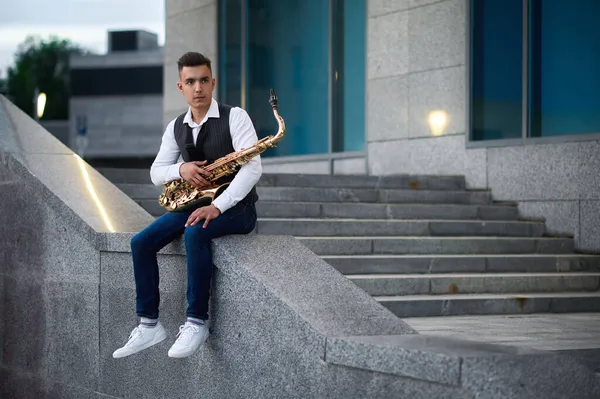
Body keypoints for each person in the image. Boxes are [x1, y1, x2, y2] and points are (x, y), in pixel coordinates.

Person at [113, 52, 262, 359]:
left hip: (238, 206)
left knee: (195, 233)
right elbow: (156, 171)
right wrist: (181, 170)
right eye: (191, 81)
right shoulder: (176, 127)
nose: (198, 88)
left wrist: (219, 206)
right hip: (196, 201)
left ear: (213, 83)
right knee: (141, 242)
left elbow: (253, 168)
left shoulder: (235, 117)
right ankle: (149, 324)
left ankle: (196, 321)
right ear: (180, 86)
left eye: (204, 80)